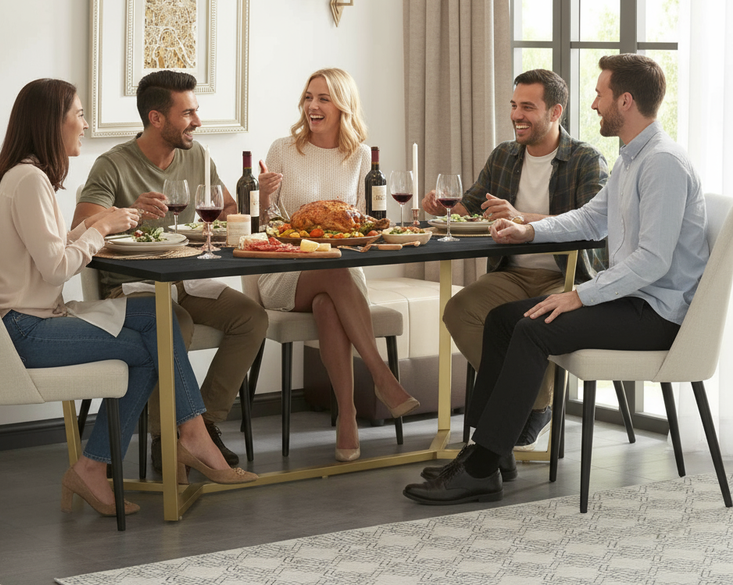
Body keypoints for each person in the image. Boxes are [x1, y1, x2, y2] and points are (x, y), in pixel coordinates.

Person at [404, 54, 708, 505]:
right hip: (632, 300)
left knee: (531, 328)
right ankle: (485, 451)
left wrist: (579, 296)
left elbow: (653, 262)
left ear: (625, 101)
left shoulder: (661, 162)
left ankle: (482, 467)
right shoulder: (631, 158)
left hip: (656, 313)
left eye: (601, 95)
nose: (594, 105)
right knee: (504, 319)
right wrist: (529, 231)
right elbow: (589, 219)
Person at [0, 79, 257, 518]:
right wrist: (100, 229)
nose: (85, 125)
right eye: (79, 115)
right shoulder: (30, 180)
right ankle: (164, 445)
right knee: (151, 350)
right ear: (54, 123)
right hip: (23, 328)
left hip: (28, 320)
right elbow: (57, 269)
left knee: (154, 312)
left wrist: (102, 221)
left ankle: (180, 439)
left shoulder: (26, 177)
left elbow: (49, 252)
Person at [73, 70, 268, 469]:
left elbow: (225, 210)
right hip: (128, 288)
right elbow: (81, 228)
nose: (197, 121)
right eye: (188, 113)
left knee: (251, 317)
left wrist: (257, 197)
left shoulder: (197, 155)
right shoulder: (112, 164)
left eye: (196, 111)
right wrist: (126, 214)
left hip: (185, 281)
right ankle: (166, 441)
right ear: (156, 118)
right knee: (171, 323)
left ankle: (202, 427)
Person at [419, 69, 608, 471]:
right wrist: (443, 209)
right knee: (459, 310)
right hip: (512, 272)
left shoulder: (586, 159)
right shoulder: (504, 155)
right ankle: (534, 405)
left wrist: (524, 218)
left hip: (566, 275)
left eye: (527, 107)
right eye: (513, 105)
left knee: (525, 327)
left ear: (555, 111)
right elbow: (468, 207)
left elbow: (595, 224)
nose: (516, 115)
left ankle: (497, 432)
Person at [258, 68, 419, 462]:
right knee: (329, 267)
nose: (313, 106)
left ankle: (346, 417)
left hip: (343, 273)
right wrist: (261, 197)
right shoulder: (282, 149)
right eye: (309, 97)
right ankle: (381, 377)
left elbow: (367, 224)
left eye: (324, 99)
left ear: (343, 106)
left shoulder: (361, 156)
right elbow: (267, 225)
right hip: (287, 270)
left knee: (329, 301)